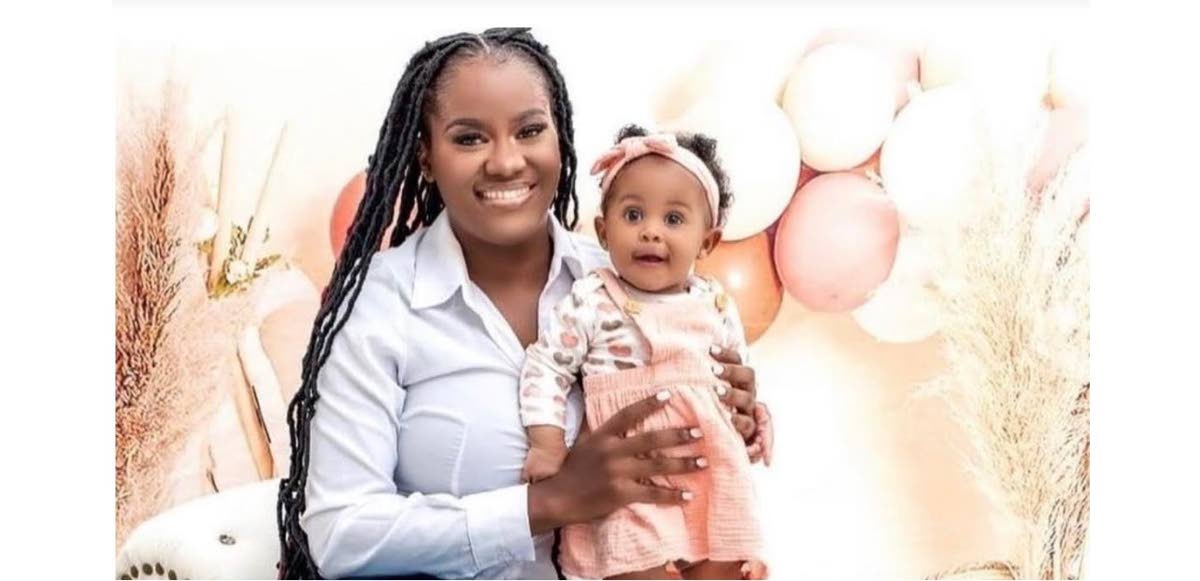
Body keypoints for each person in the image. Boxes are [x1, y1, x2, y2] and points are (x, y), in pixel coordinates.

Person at [276, 28, 765, 579]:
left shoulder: (630, 282)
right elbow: (340, 535)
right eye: (469, 139)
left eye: (530, 130)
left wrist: (734, 414)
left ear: (560, 139)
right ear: (426, 156)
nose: (507, 162)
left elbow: (695, 469)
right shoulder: (381, 305)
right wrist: (546, 503)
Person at [518, 125, 771, 579]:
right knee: (635, 565)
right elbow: (546, 365)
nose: (651, 232)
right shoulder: (592, 300)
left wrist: (752, 419)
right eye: (633, 215)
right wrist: (546, 442)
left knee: (726, 562)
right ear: (602, 230)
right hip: (631, 482)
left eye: (673, 220)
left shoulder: (716, 305)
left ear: (707, 242)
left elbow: (739, 383)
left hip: (711, 471)